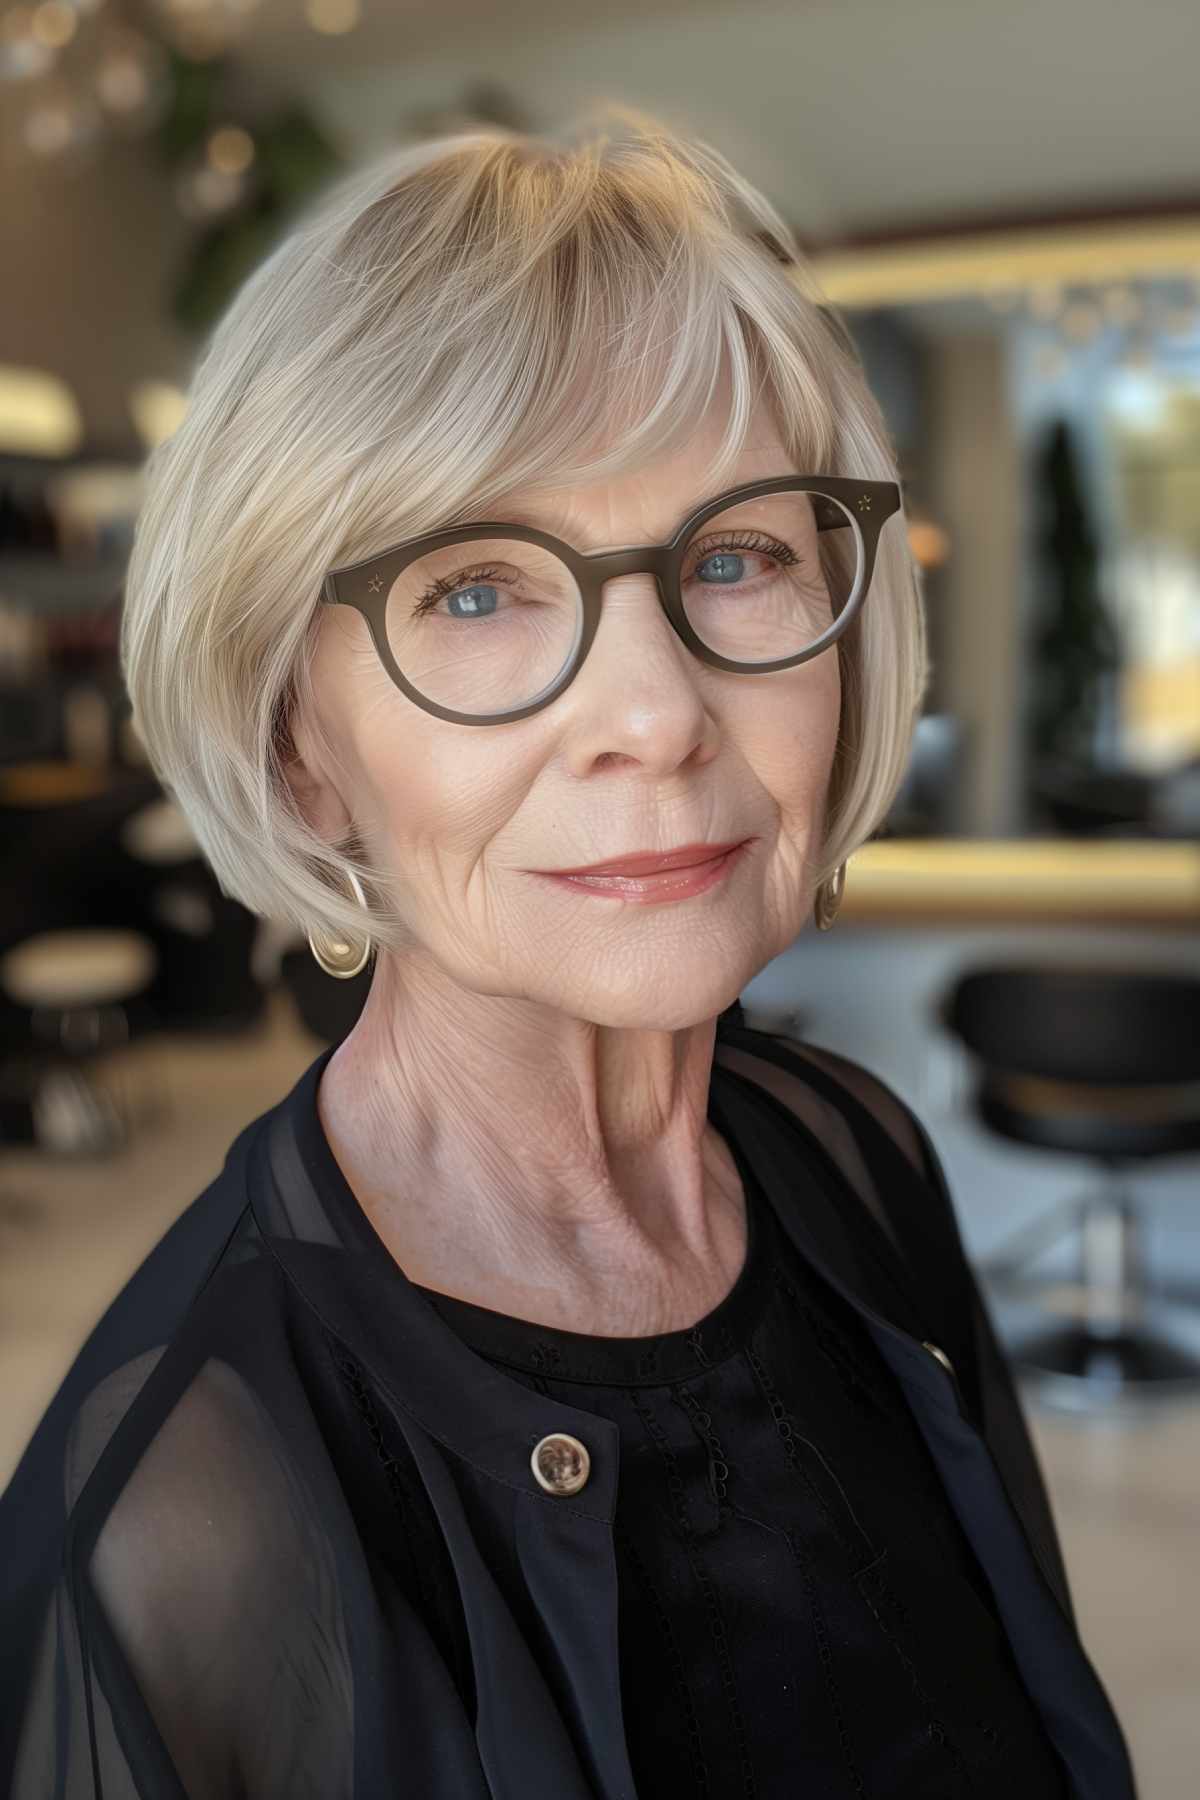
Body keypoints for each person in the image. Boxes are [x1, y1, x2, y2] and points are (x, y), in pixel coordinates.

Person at [1, 107, 1138, 1799]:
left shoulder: (855, 1162)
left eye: (738, 556)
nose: (658, 714)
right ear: (299, 740)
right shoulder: (187, 1509)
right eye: (473, 589)